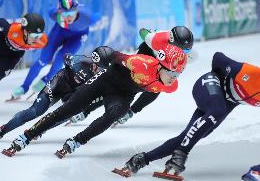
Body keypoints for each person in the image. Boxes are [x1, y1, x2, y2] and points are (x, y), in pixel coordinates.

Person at [1, 43, 188, 157]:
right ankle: (28, 135)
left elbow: (148, 95)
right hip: (105, 81)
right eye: (173, 72)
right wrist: (102, 54)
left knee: (116, 113)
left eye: (179, 73)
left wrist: (133, 109)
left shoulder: (170, 85)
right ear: (162, 65)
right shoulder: (140, 63)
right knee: (68, 110)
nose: (175, 77)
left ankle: (77, 141)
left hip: (122, 94)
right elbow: (113, 55)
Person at [117, 52, 260, 180]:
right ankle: (181, 154)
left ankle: (142, 159)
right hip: (209, 85)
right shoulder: (249, 73)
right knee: (217, 110)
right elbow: (218, 57)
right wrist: (218, 85)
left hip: (223, 103)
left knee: (192, 134)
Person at [64, 26, 196, 126]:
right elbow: (142, 31)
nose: (181, 53)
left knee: (156, 88)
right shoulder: (156, 40)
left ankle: (131, 111)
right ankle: (86, 109)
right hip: (148, 54)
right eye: (180, 49)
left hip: (164, 65)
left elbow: (179, 67)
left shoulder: (191, 55)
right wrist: (151, 39)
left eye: (185, 51)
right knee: (122, 84)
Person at [0, 53, 104, 143]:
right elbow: (65, 56)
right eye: (97, 66)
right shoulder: (83, 61)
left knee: (68, 113)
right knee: (34, 111)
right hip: (58, 83)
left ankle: (41, 128)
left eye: (102, 69)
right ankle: (1, 131)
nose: (97, 70)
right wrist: (70, 61)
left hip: (72, 93)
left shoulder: (102, 79)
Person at [10, 0, 100, 100]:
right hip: (59, 32)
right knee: (43, 60)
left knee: (60, 59)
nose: (68, 17)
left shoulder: (88, 17)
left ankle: (45, 80)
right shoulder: (53, 13)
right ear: (59, 12)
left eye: (71, 13)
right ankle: (24, 87)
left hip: (77, 37)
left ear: (77, 10)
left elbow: (100, 15)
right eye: (65, 14)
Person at [0, 13, 47, 99]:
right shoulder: (13, 30)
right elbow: (1, 20)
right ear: (25, 31)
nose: (36, 39)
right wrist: (6, 27)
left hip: (12, 56)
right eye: (34, 36)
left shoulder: (42, 41)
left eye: (39, 35)